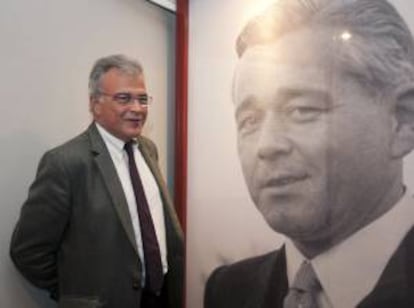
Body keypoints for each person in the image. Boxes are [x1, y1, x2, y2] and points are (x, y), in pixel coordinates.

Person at [205, 0, 414, 307]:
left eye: (302, 110)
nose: (266, 145)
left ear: (401, 121)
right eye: (249, 120)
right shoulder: (227, 290)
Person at [10, 54, 183, 308]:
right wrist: (78, 295)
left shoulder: (148, 150)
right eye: (124, 98)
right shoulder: (65, 163)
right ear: (95, 104)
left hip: (160, 298)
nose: (137, 108)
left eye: (142, 99)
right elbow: (28, 251)